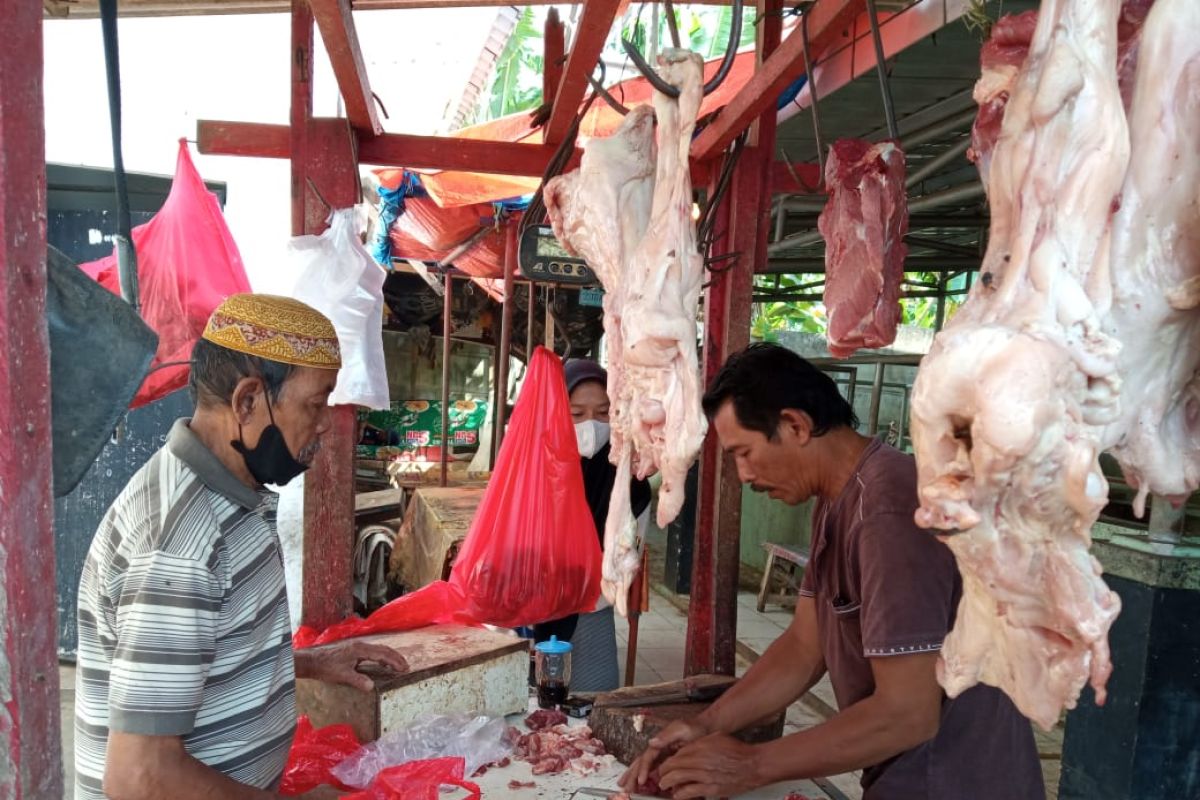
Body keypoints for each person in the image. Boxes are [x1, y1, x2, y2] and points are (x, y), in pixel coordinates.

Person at [620, 343, 1043, 800]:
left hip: (956, 782)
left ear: (796, 425)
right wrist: (704, 725)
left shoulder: (887, 510)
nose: (742, 475)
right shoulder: (838, 500)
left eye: (744, 452)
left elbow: (908, 712)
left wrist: (752, 764)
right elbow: (805, 646)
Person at [74, 294, 408, 800]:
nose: (324, 424)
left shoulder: (237, 491)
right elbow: (141, 778)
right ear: (248, 400)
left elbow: (205, 654)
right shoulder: (178, 548)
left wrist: (313, 662)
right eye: (316, 404)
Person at [532, 359, 651, 692]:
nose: (591, 425)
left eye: (603, 413)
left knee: (591, 703)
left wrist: (586, 593)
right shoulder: (533, 468)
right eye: (576, 414)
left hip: (591, 609)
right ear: (557, 412)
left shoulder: (631, 479)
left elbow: (629, 553)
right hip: (531, 607)